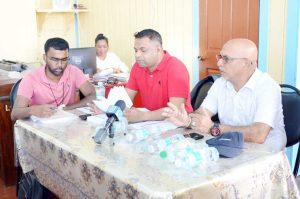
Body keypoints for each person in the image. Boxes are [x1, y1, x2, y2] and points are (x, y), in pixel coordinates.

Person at [163, 38, 286, 152]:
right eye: (220, 57)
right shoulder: (220, 83)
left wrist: (214, 128)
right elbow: (203, 113)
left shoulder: (267, 87)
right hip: (228, 144)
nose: (219, 63)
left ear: (248, 63)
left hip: (264, 151)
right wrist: (188, 120)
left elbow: (258, 135)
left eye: (226, 59)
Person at [11, 37, 95, 120]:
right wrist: (32, 110)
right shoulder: (30, 79)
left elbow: (93, 95)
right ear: (45, 58)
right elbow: (15, 114)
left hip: (69, 124)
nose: (60, 65)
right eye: (55, 59)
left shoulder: (74, 71)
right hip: (42, 127)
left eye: (64, 59)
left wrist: (68, 108)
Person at [124, 29, 193, 123]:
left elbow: (174, 111)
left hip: (177, 123)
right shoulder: (138, 66)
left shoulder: (176, 68)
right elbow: (126, 99)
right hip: (150, 122)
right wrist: (108, 109)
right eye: (136, 50)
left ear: (158, 49)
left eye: (143, 50)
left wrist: (142, 116)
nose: (137, 55)